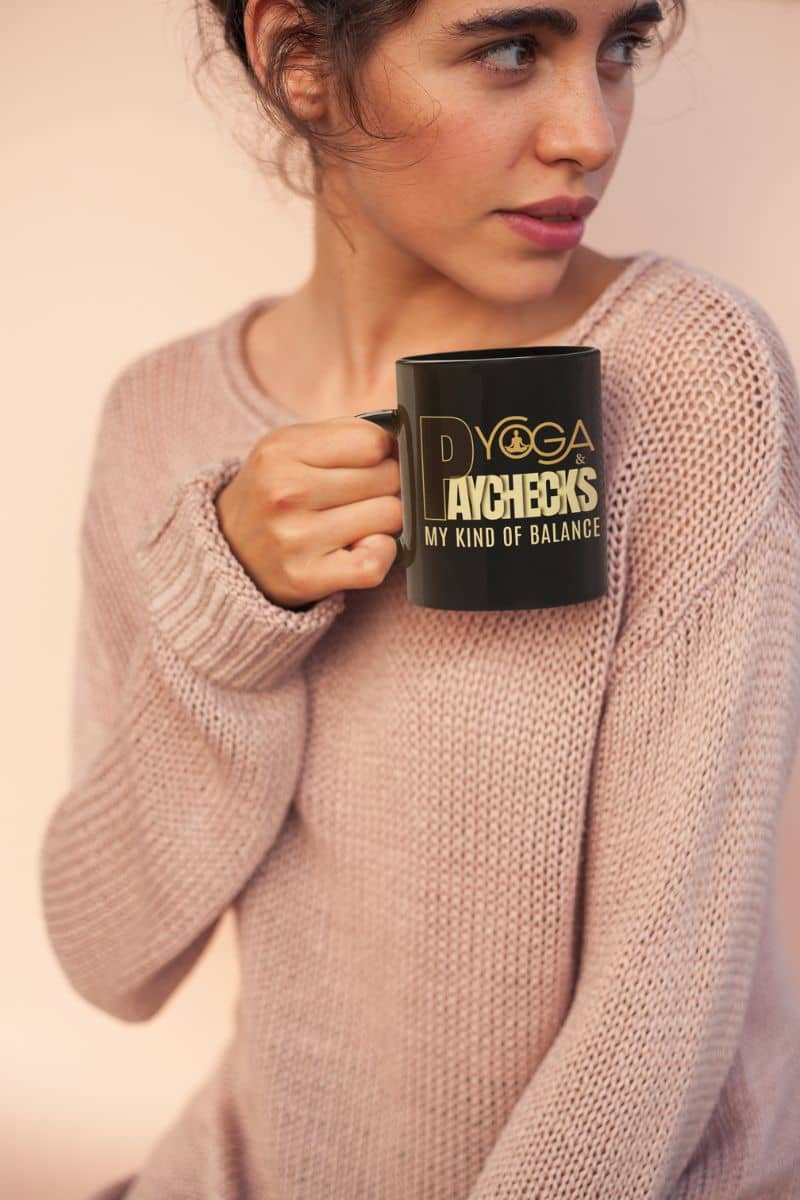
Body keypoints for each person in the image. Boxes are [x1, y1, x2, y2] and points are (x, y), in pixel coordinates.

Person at [40, 0, 800, 1197]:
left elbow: (665, 991)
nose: (589, 132)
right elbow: (108, 957)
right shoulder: (161, 416)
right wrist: (226, 620)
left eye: (621, 47)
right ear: (296, 56)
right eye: (510, 49)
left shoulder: (686, 374)